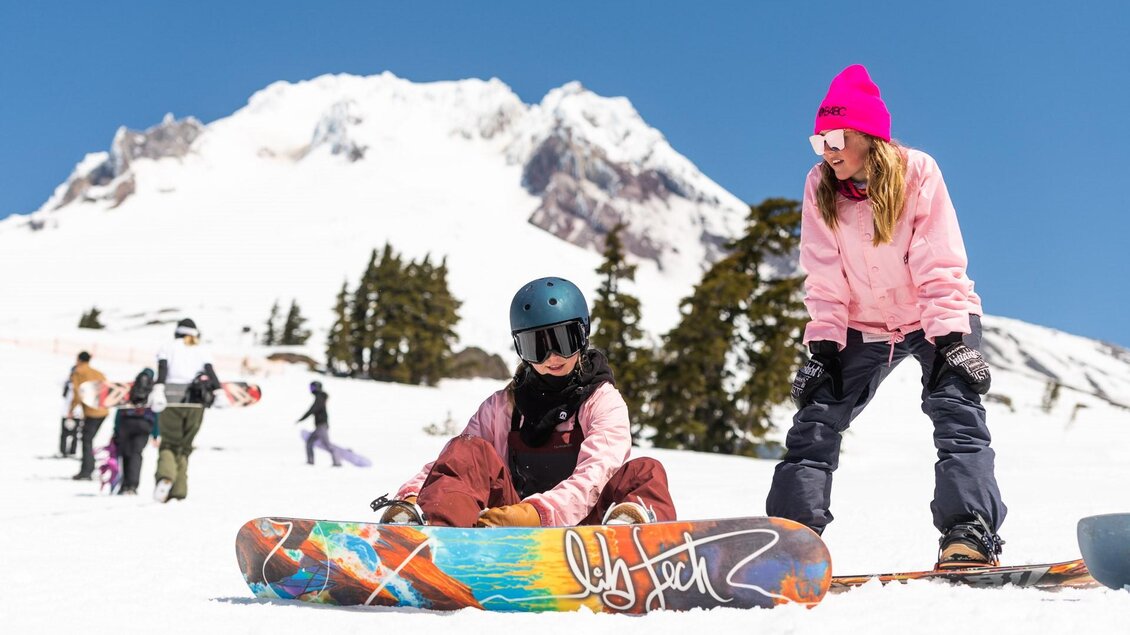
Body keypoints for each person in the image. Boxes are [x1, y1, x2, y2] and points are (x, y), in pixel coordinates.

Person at [765, 64, 1006, 570]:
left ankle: (969, 533)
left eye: (834, 138)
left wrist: (950, 340)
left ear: (867, 135)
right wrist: (824, 349)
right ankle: (792, 540)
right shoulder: (820, 186)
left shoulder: (918, 172)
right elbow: (823, 274)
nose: (826, 150)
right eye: (818, 140)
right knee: (816, 420)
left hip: (933, 316)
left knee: (956, 410)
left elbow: (937, 259)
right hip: (860, 325)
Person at [373, 277, 676, 528]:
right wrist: (413, 496)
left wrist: (537, 514)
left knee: (644, 472)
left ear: (583, 335)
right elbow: (456, 464)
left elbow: (598, 472)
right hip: (513, 529)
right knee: (468, 449)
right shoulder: (503, 406)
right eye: (537, 346)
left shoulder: (601, 400)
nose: (552, 357)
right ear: (520, 349)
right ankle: (430, 537)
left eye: (563, 340)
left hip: (586, 534)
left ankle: (629, 536)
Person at [148, 318, 221, 502]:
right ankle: (179, 490)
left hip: (171, 401)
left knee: (169, 444)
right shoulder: (202, 349)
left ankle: (166, 477)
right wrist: (219, 392)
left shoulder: (168, 346)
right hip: (196, 403)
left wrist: (158, 390)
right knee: (185, 446)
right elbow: (210, 373)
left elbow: (162, 371)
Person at [113, 368, 159, 495]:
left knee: (125, 454)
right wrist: (156, 434)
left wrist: (116, 430)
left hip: (126, 423)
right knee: (136, 454)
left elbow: (120, 410)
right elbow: (156, 413)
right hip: (144, 425)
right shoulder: (155, 390)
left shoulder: (129, 388)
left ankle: (124, 485)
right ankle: (132, 485)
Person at [69, 351, 108, 480]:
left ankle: (87, 470)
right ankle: (88, 468)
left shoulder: (78, 373)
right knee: (88, 439)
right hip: (103, 411)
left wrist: (71, 410)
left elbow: (76, 393)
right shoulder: (98, 373)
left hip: (92, 412)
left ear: (79, 359)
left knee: (86, 440)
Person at [297, 380, 340, 467]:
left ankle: (337, 462)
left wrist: (301, 419)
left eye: (312, 388)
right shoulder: (320, 398)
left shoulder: (320, 398)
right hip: (319, 426)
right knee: (309, 442)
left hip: (322, 426)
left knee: (327, 444)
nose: (311, 390)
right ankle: (310, 461)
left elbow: (312, 409)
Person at [59, 365, 82, 457]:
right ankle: (63, 451)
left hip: (75, 413)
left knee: (74, 434)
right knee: (65, 433)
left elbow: (74, 399)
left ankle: (72, 451)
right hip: (67, 412)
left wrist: (71, 411)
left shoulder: (78, 386)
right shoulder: (68, 384)